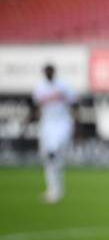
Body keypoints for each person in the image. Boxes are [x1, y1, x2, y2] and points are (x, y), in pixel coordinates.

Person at [29, 64, 78, 204]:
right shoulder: (39, 87)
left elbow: (74, 104)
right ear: (44, 72)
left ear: (54, 72)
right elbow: (36, 106)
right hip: (47, 124)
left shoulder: (63, 86)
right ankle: (54, 189)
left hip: (62, 123)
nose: (48, 73)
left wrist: (77, 126)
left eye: (50, 71)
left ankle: (55, 190)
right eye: (46, 71)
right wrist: (28, 121)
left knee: (53, 152)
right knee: (48, 158)